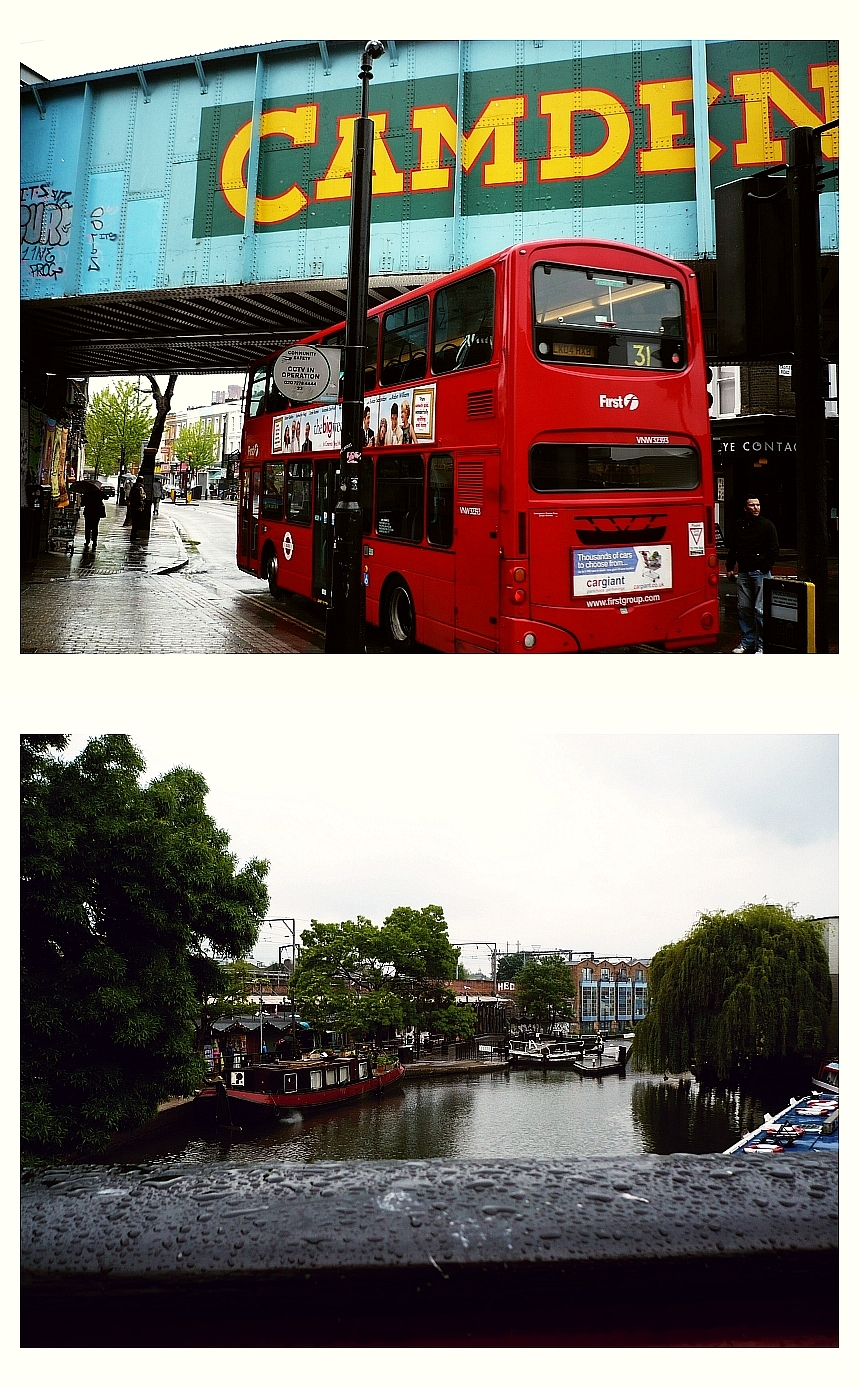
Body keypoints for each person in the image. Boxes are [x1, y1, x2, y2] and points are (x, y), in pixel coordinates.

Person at [725, 495, 780, 653]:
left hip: (759, 572)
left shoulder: (767, 525)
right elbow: (734, 548)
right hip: (744, 571)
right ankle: (748, 641)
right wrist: (730, 567)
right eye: (752, 505)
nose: (756, 508)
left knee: (759, 609)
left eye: (758, 505)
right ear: (745, 508)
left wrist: (765, 567)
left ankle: (762, 645)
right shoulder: (739, 525)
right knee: (744, 608)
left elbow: (773, 548)